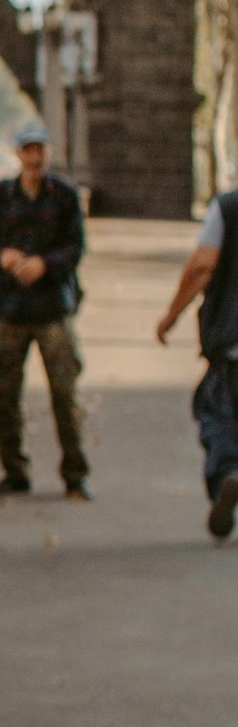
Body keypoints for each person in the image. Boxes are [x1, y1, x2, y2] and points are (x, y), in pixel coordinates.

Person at [0, 121, 90, 499]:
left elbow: (76, 247)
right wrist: (4, 256)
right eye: (28, 150)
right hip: (10, 309)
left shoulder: (65, 197)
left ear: (48, 152)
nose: (35, 157)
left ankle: (74, 474)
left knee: (64, 394)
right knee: (6, 396)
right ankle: (15, 472)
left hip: (52, 308)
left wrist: (44, 263)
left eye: (40, 149)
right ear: (19, 154)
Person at [152, 176, 238, 539]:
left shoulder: (228, 208)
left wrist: (171, 314)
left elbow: (202, 266)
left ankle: (228, 476)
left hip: (232, 347)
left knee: (218, 416)